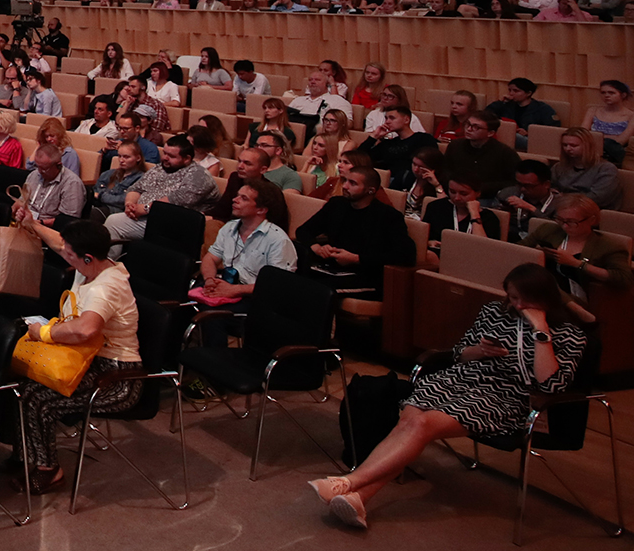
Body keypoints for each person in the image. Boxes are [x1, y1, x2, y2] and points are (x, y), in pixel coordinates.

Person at [310, 264, 586, 530]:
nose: (518, 306)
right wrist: (480, 351)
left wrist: (541, 332)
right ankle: (359, 497)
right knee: (410, 423)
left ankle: (349, 482)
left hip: (505, 396)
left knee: (421, 425)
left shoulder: (570, 335)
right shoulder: (495, 312)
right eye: (513, 298)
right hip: (459, 379)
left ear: (545, 298)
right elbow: (459, 354)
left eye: (525, 299)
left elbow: (550, 385)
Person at [11, 219, 143, 494]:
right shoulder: (92, 266)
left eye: (70, 255)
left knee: (38, 399)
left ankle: (49, 471)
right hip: (89, 363)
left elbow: (86, 329)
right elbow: (60, 243)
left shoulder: (105, 287)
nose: (65, 256)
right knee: (22, 386)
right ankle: (28, 456)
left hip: (117, 377)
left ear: (87, 257)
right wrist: (32, 224)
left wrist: (44, 333)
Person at [291, 167, 414, 298]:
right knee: (292, 279)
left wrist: (356, 259)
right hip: (332, 267)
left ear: (370, 190)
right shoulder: (337, 204)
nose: (345, 186)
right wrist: (316, 247)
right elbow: (303, 230)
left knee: (314, 290)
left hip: (365, 275)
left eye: (353, 183)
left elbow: (406, 255)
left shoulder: (388, 216)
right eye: (345, 181)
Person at [199, 180, 297, 302]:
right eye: (237, 195)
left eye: (244, 198)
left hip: (255, 298)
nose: (235, 200)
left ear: (261, 210)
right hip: (227, 285)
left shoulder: (278, 240)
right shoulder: (229, 227)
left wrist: (236, 290)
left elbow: (278, 283)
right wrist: (209, 280)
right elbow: (210, 258)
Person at [522, 194, 633, 300]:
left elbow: (623, 279)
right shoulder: (548, 230)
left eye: (571, 221)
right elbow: (519, 250)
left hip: (576, 297)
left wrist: (577, 263)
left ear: (592, 220)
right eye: (560, 219)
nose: (565, 226)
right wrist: (538, 253)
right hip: (537, 288)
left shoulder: (609, 246)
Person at [18, 143, 86, 233]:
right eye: (38, 166)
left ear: (58, 165)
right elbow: (22, 201)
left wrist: (38, 223)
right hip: (27, 223)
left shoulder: (72, 183)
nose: (40, 171)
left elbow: (68, 220)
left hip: (49, 230)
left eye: (44, 168)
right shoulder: (34, 175)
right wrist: (19, 212)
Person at [551, 128, 622, 210]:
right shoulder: (559, 166)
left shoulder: (606, 169)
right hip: (562, 207)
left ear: (587, 146)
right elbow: (551, 187)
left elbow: (598, 198)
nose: (568, 149)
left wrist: (564, 198)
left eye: (573, 145)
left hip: (591, 210)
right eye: (565, 145)